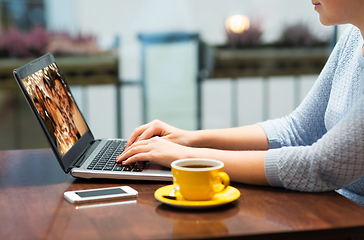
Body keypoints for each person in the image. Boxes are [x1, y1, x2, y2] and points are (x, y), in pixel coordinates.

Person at [117, 0, 364, 206]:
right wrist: (190, 138)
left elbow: (319, 166)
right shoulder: (353, 38)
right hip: (338, 209)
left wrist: (189, 157)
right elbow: (298, 130)